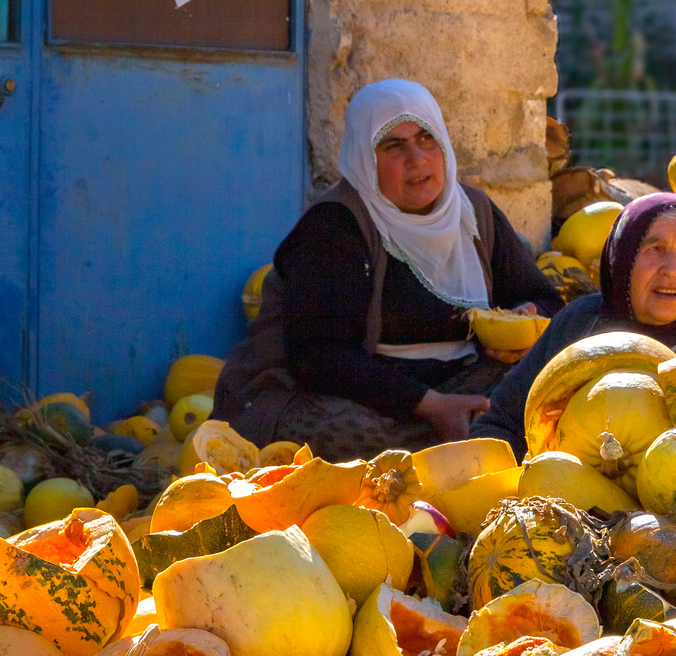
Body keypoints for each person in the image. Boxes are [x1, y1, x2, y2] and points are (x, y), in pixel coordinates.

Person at [212, 79, 564, 459]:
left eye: (426, 138)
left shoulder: (474, 215)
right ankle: (459, 446)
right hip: (353, 398)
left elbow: (546, 301)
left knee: (542, 386)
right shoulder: (334, 227)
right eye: (393, 146)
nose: (417, 159)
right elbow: (319, 358)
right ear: (365, 159)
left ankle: (463, 441)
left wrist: (527, 320)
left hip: (458, 385)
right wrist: (430, 406)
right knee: (352, 442)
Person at [470, 192, 676, 459]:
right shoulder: (579, 323)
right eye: (655, 248)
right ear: (622, 258)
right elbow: (500, 424)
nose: (672, 269)